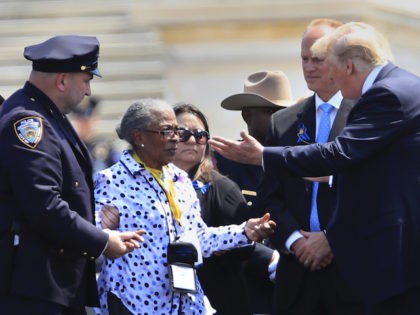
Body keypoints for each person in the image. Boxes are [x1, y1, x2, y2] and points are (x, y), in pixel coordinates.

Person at [209, 21, 420, 315]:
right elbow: (357, 170)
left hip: (384, 260)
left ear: (347, 68)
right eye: (305, 59)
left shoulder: (386, 95)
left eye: (326, 67)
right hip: (305, 277)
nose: (316, 72)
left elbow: (341, 154)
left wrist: (263, 157)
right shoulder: (397, 85)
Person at [0, 35, 144, 315]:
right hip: (34, 289)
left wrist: (94, 221)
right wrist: (101, 242)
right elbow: (44, 205)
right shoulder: (29, 122)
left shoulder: (44, 113)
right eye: (86, 80)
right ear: (62, 80)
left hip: (51, 284)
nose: (89, 91)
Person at [93, 98, 276, 315]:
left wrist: (244, 231)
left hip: (185, 304)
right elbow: (88, 235)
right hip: (135, 305)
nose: (175, 138)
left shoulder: (179, 179)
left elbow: (197, 238)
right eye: (166, 131)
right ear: (138, 136)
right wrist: (102, 228)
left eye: (176, 131)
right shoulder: (111, 180)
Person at [256, 19, 363, 315]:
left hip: (352, 276)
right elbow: (269, 196)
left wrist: (331, 240)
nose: (309, 67)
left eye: (319, 59)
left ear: (345, 62)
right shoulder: (284, 122)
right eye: (304, 58)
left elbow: (373, 193)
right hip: (297, 278)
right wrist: (295, 240)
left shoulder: (366, 117)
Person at [172, 102, 279, 315]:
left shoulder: (220, 187)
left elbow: (247, 245)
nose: (193, 140)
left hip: (214, 297)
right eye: (183, 133)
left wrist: (277, 263)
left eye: (201, 135)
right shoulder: (148, 183)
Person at [215, 70, 293, 209]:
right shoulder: (222, 160)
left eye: (284, 111)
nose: (279, 118)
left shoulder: (297, 157)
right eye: (270, 111)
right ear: (247, 115)